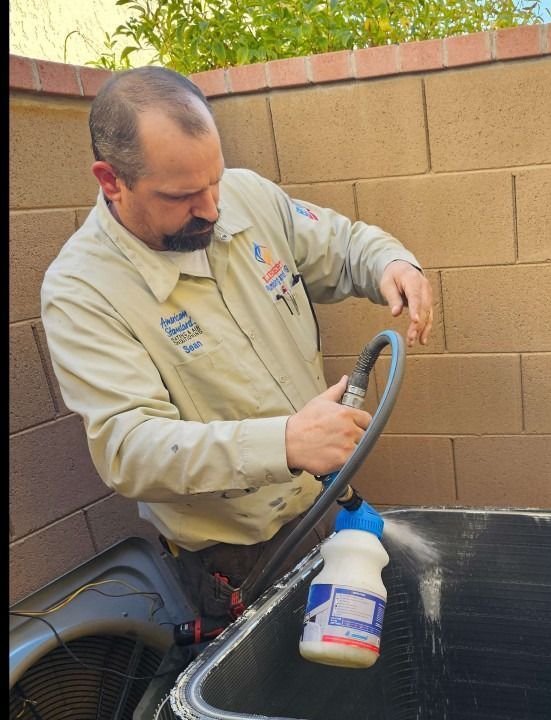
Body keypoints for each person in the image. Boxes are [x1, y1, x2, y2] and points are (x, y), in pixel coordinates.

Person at [40, 66, 433, 628]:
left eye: (214, 180)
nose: (211, 207)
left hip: (324, 503)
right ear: (111, 180)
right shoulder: (82, 291)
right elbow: (130, 449)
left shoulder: (245, 196)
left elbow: (342, 244)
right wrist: (285, 442)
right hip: (236, 558)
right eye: (181, 195)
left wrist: (392, 263)